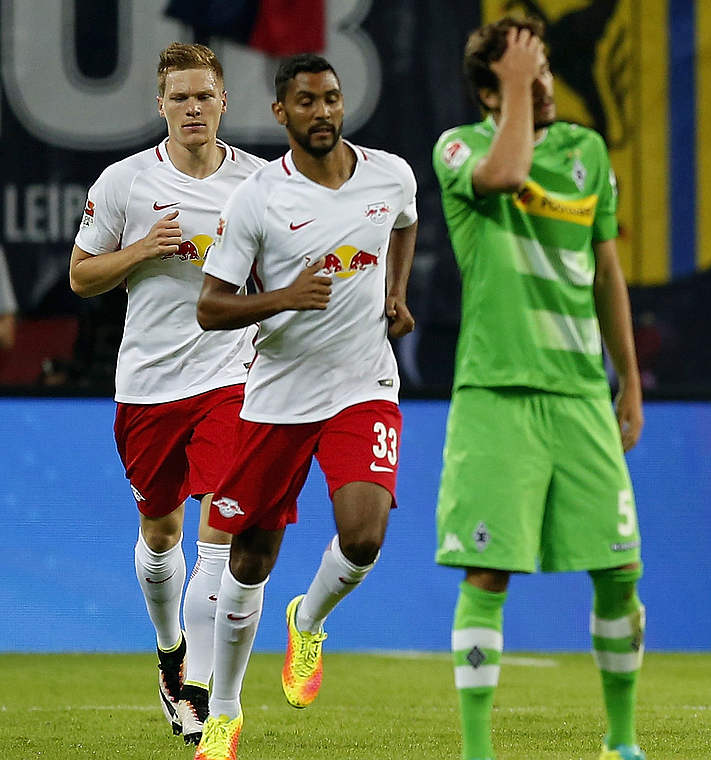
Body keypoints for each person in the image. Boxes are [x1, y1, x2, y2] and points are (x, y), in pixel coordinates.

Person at [191, 53, 418, 760]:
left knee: (363, 536)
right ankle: (224, 712)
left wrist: (395, 294)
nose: (322, 112)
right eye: (306, 102)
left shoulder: (391, 174)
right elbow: (210, 307)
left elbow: (404, 223)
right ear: (281, 114)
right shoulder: (258, 199)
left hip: (363, 385)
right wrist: (285, 297)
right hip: (280, 395)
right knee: (250, 558)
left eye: (331, 98)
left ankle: (310, 621)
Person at [432, 17, 646, 760]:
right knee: (488, 570)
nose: (548, 79)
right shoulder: (459, 147)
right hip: (497, 394)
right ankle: (478, 751)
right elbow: (504, 176)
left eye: (547, 64)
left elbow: (608, 270)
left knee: (620, 570)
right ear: (492, 87)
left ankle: (621, 742)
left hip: (581, 395)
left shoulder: (587, 152)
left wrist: (630, 383)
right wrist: (518, 88)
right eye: (529, 69)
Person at [68, 42, 265, 745]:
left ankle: (207, 693)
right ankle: (170, 653)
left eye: (203, 96)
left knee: (225, 523)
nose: (192, 108)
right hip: (149, 386)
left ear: (222, 102)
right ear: (160, 106)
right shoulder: (124, 184)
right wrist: (143, 249)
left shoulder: (260, 182)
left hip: (232, 379)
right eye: (179, 97)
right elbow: (82, 277)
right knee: (161, 535)